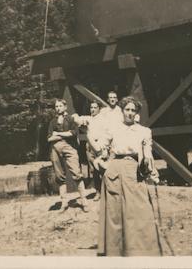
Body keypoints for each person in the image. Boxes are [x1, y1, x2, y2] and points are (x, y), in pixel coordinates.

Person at [97, 96, 161, 256]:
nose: (130, 113)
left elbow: (147, 153)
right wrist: (102, 162)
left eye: (133, 110)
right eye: (127, 109)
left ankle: (141, 251)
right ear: (122, 111)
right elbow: (100, 147)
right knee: (115, 214)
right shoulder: (113, 128)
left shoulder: (144, 131)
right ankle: (115, 253)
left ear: (137, 113)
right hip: (115, 172)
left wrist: (148, 165)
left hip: (134, 171)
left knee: (139, 210)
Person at [47, 99, 89, 212]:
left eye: (60, 106)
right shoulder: (52, 121)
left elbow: (73, 133)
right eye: (56, 106)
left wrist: (58, 134)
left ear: (65, 107)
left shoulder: (71, 119)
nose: (58, 108)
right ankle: (64, 202)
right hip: (55, 148)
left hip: (69, 148)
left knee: (76, 173)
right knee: (59, 176)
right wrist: (64, 135)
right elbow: (49, 137)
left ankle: (84, 200)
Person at [75, 101, 110, 201]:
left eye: (95, 107)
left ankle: (106, 191)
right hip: (90, 147)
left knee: (103, 169)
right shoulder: (88, 119)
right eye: (91, 108)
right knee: (93, 170)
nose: (93, 109)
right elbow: (75, 118)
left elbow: (107, 133)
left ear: (99, 109)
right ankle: (98, 192)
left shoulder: (103, 119)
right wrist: (81, 122)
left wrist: (105, 148)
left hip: (100, 146)